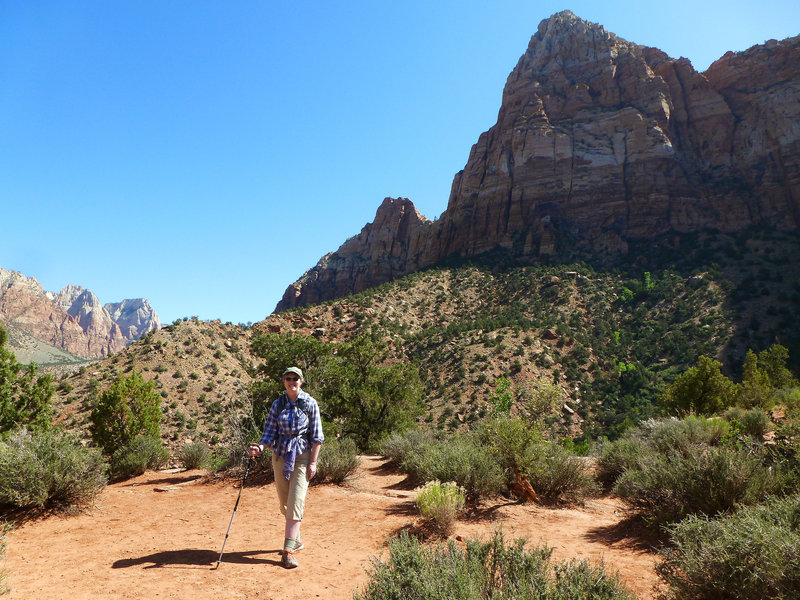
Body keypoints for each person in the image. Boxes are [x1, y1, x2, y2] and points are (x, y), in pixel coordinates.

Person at [249, 366, 324, 569]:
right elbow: (269, 434)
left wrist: (313, 462)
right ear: (284, 381)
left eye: (295, 378)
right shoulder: (278, 404)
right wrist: (259, 447)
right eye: (288, 378)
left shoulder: (310, 403)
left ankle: (288, 551)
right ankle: (297, 539)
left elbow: (317, 437)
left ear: (301, 381)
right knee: (284, 503)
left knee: (296, 502)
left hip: (302, 456)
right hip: (280, 455)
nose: (291, 382)